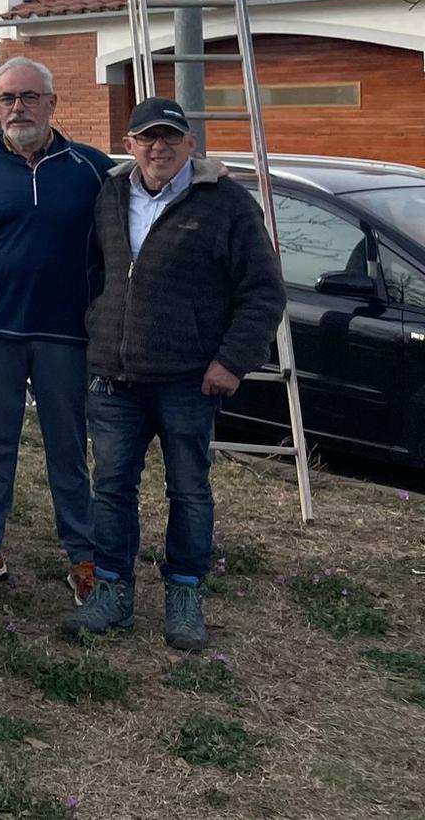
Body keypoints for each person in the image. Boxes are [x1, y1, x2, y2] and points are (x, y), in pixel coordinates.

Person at [65, 98, 285, 650]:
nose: (157, 147)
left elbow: (263, 292)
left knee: (189, 490)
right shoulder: (111, 194)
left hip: (190, 379)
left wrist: (232, 361)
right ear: (130, 144)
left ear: (190, 143)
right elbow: (96, 272)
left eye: (169, 137)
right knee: (111, 488)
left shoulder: (227, 202)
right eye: (145, 138)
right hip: (115, 377)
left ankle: (184, 594)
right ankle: (112, 593)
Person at [0, 57, 113, 602]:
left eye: (30, 97)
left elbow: (136, 226)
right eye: (8, 98)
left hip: (67, 333)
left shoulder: (93, 169)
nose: (18, 107)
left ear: (52, 103)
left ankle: (84, 556)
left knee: (67, 446)